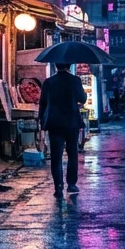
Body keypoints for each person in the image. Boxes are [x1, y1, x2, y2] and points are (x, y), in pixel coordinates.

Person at [38, 63, 86, 196]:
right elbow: (82, 99)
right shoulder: (75, 80)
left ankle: (58, 186)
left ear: (56, 66)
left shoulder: (49, 82)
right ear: (69, 66)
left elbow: (42, 103)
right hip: (72, 122)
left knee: (56, 155)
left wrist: (42, 122)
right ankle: (71, 184)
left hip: (54, 123)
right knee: (72, 153)